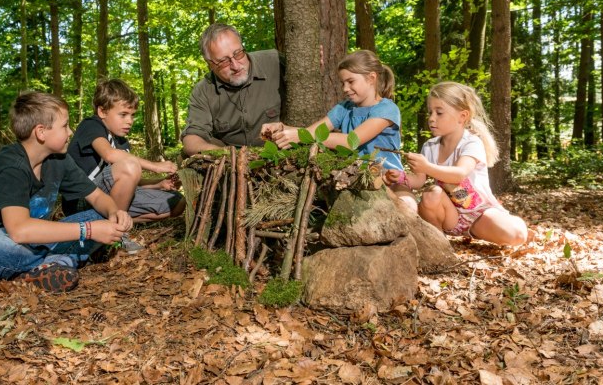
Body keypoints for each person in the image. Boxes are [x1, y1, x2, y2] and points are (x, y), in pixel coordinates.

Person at [0, 92, 133, 293]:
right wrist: (88, 231)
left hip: (33, 241)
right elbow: (19, 230)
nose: (70, 132)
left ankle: (43, 268)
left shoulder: (59, 160)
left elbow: (97, 196)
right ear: (41, 132)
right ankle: (59, 260)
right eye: (65, 126)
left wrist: (115, 212)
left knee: (101, 216)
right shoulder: (8, 167)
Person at [384, 81, 528, 246]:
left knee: (516, 235)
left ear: (463, 116)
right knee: (433, 193)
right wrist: (399, 177)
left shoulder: (472, 143)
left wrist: (427, 166)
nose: (431, 118)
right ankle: (439, 242)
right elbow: (419, 181)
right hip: (448, 215)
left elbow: (460, 174)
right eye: (430, 112)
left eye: (439, 113)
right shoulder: (430, 146)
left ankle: (501, 223)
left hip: (478, 214)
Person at [262, 50, 412, 203]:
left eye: (351, 81)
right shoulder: (344, 108)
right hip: (355, 179)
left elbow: (351, 141)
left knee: (408, 206)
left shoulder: (387, 109)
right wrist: (282, 128)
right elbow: (311, 132)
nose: (345, 88)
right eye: (342, 83)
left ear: (371, 78)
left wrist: (300, 135)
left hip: (390, 179)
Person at [66, 79, 185, 254]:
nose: (129, 121)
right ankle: (115, 237)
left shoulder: (121, 140)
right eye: (123, 114)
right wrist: (154, 166)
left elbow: (128, 182)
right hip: (83, 201)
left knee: (177, 202)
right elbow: (109, 154)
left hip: (110, 201)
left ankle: (108, 224)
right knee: (129, 165)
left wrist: (159, 183)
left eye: (132, 115)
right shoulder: (91, 125)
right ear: (102, 111)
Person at [181, 23, 285, 156]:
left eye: (238, 54)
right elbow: (191, 141)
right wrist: (231, 155)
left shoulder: (275, 62)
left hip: (280, 154)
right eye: (224, 62)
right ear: (210, 64)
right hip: (230, 161)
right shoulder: (203, 90)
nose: (235, 66)